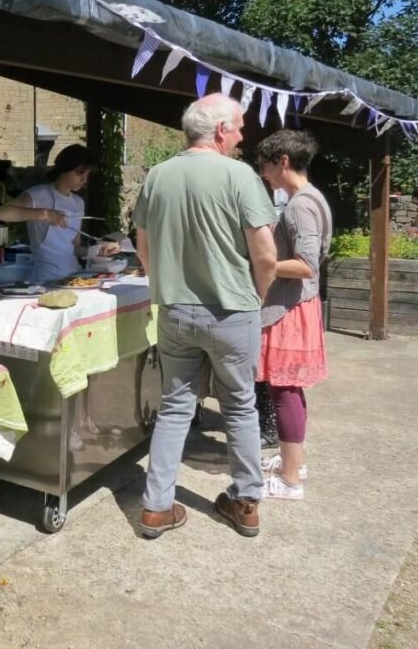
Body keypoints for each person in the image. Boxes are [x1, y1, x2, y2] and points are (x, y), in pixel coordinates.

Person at [133, 93, 277, 539]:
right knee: (239, 407)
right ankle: (246, 503)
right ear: (219, 131)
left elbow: (143, 246)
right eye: (238, 127)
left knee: (175, 407)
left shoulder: (157, 176)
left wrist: (165, 281)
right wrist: (256, 297)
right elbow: (266, 256)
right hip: (232, 311)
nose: (242, 135)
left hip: (175, 310)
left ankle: (156, 507)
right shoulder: (240, 176)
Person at [254, 130, 332, 501]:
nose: (264, 174)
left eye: (266, 166)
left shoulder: (300, 204)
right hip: (297, 306)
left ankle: (289, 481)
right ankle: (291, 462)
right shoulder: (309, 198)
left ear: (283, 161)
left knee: (283, 391)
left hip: (290, 309)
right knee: (289, 391)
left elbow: (306, 265)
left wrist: (262, 262)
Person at [0, 144, 118, 283]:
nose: (84, 179)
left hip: (73, 276)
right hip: (45, 279)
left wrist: (98, 251)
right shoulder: (38, 194)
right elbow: (2, 213)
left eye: (87, 174)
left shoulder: (78, 203)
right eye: (80, 173)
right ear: (64, 169)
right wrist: (45, 214)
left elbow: (74, 247)